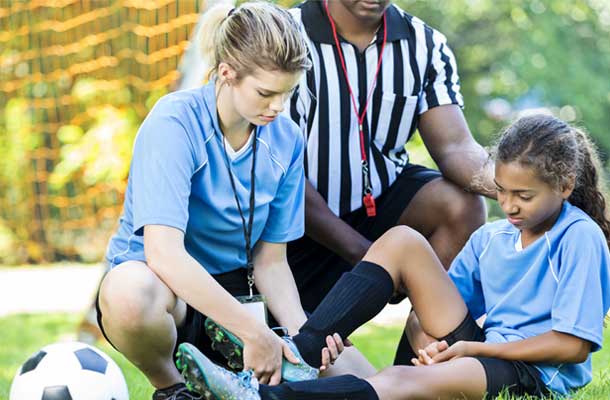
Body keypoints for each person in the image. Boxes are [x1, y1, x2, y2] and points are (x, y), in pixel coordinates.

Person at [177, 114, 610, 399]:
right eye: (501, 191)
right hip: (479, 354)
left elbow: (572, 346)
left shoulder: (579, 238)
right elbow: (432, 311)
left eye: (524, 196)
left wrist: (474, 349)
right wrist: (428, 345)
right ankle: (303, 353)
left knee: (395, 381)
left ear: (566, 186)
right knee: (403, 239)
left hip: (531, 375)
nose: (510, 206)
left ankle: (261, 396)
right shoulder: (492, 239)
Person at [96, 3, 317, 399]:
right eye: (266, 93)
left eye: (288, 93)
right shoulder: (174, 122)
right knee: (127, 294)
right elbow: (163, 255)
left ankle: (232, 378)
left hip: (236, 295)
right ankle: (176, 390)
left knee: (353, 376)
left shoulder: (287, 139)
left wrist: (304, 337)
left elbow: (271, 261)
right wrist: (256, 334)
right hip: (166, 291)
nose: (278, 107)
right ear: (227, 72)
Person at [285, 0, 492, 364]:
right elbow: (279, 173)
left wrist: (523, 185)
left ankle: (418, 365)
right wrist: (366, 254)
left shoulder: (425, 44)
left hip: (380, 206)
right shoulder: (284, 34)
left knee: (463, 204)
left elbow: (457, 147)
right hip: (292, 224)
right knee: (282, 358)